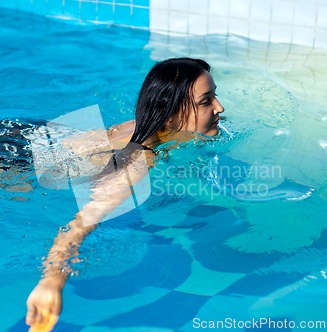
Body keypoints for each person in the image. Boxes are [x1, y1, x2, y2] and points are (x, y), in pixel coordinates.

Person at [24, 57, 224, 331]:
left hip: (38, 138)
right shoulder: (140, 160)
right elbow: (81, 223)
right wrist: (51, 281)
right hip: (9, 159)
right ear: (169, 116)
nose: (219, 108)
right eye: (206, 102)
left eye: (215, 96)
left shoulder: (148, 125)